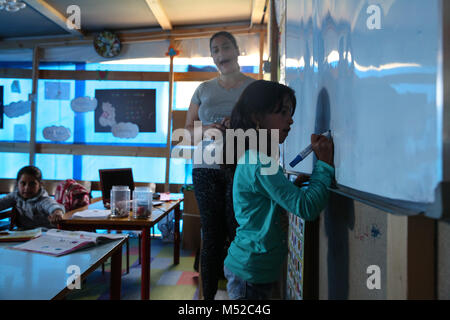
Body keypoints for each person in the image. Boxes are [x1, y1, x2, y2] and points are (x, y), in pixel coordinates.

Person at [223, 80, 335, 300]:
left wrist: (290, 187)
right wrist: (324, 164)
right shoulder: (260, 163)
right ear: (257, 117)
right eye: (283, 112)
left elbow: (263, 202)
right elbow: (307, 207)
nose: (291, 119)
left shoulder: (255, 157)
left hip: (253, 269)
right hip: (251, 272)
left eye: (290, 112)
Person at [184, 31, 255, 299]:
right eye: (215, 50)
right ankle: (207, 299)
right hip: (205, 169)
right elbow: (188, 131)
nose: (220, 53)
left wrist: (237, 124)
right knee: (211, 236)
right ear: (212, 56)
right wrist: (208, 129)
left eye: (226, 47)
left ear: (237, 51)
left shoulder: (252, 87)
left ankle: (240, 296)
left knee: (238, 232)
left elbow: (262, 126)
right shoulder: (202, 89)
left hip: (240, 168)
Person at [0, 165, 65, 230]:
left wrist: (57, 212)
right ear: (17, 184)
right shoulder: (15, 196)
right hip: (23, 234)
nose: (27, 188)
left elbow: (52, 205)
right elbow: (2, 203)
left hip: (44, 233)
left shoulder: (43, 199)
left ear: (40, 185)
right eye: (23, 183)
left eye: (32, 184)